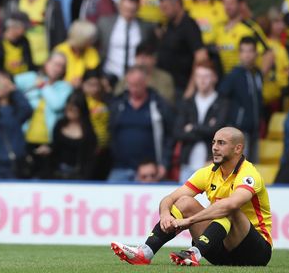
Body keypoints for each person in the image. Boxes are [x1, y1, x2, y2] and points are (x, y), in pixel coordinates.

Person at [111, 127, 272, 267]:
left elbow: (230, 205)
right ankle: (145, 252)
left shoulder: (249, 173)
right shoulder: (207, 172)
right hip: (220, 251)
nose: (215, 148)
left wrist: (188, 221)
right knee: (185, 202)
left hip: (255, 252)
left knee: (229, 207)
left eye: (221, 143)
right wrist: (165, 214)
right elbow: (169, 198)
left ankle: (195, 253)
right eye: (214, 142)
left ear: (238, 149)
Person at [108, 66, 173, 182]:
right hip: (120, 168)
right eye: (131, 84)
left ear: (145, 82)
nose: (134, 89)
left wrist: (164, 164)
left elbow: (169, 136)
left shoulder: (158, 104)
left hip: (150, 171)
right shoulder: (118, 104)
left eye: (137, 84)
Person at [15, 52, 73, 179]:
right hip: (24, 140)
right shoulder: (30, 78)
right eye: (55, 64)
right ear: (46, 63)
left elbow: (57, 104)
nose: (57, 68)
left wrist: (43, 85)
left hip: (48, 143)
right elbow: (11, 84)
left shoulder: (65, 87)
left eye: (61, 66)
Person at [175, 63, 230, 182]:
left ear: (214, 78)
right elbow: (178, 132)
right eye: (199, 76)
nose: (202, 80)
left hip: (212, 165)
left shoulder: (222, 103)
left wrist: (193, 127)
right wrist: (207, 129)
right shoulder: (187, 103)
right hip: (187, 164)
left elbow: (219, 131)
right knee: (183, 200)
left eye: (206, 76)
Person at [4, 0, 66, 67]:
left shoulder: (51, 4)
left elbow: (59, 35)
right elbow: (5, 34)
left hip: (43, 63)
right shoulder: (13, 4)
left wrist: (52, 61)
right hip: (18, 64)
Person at [218, 37, 263, 162]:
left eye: (250, 51)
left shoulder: (257, 74)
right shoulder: (234, 75)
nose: (247, 55)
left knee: (253, 167)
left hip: (255, 128)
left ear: (255, 53)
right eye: (243, 51)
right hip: (239, 129)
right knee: (240, 166)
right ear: (239, 54)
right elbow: (222, 96)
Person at [157, 0, 207, 96]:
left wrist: (191, 88)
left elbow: (201, 57)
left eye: (166, 8)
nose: (163, 11)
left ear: (177, 4)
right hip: (167, 85)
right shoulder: (169, 25)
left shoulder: (189, 26)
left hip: (182, 86)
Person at [97, 0, 155, 81]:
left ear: (138, 9)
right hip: (110, 74)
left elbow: (151, 51)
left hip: (136, 76)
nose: (128, 14)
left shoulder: (146, 27)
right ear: (119, 6)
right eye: (125, 9)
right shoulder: (105, 23)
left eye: (132, 11)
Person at [214, 0, 270, 75]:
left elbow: (269, 54)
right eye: (225, 2)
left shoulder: (250, 27)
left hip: (244, 79)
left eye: (231, 2)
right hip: (224, 79)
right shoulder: (219, 27)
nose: (228, 6)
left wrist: (258, 78)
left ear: (240, 4)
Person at [0, 71, 32, 179]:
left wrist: (14, 90)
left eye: (2, 82)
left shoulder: (16, 111)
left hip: (14, 164)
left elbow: (27, 109)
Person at [50, 90, 98, 179]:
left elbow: (89, 158)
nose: (70, 112)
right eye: (68, 109)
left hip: (79, 175)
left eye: (73, 110)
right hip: (58, 173)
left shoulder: (88, 131)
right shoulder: (59, 125)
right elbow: (55, 148)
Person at [53, 20, 99, 87]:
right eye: (90, 39)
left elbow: (93, 75)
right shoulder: (60, 50)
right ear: (81, 39)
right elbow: (53, 75)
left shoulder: (91, 52)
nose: (92, 41)